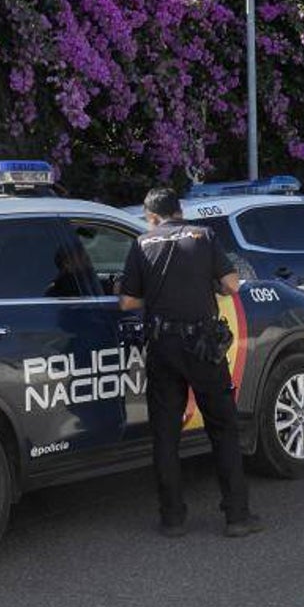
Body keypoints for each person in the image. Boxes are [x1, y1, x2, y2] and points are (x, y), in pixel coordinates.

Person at [118, 187, 262, 539]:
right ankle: (237, 517)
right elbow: (231, 285)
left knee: (165, 434)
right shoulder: (204, 236)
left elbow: (127, 303)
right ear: (179, 211)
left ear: (151, 216)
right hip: (202, 346)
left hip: (163, 346)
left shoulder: (141, 243)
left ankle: (172, 519)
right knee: (223, 427)